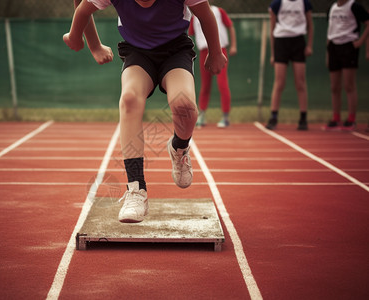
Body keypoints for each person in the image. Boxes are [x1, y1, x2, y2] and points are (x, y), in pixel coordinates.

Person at [63, 0, 227, 223]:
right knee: (129, 99)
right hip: (138, 52)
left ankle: (179, 148)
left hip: (175, 50)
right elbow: (82, 8)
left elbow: (205, 14)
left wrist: (215, 52)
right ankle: (136, 189)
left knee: (185, 106)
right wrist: (86, 42)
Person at [266, 0, 314, 131]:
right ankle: (274, 116)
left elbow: (310, 25)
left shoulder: (304, 3)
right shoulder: (277, 4)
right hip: (281, 42)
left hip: (298, 41)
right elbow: (272, 29)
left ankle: (303, 117)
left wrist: (309, 45)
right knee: (279, 82)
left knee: (300, 82)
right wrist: (273, 53)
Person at [324, 0, 369, 131]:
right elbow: (330, 30)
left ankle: (351, 119)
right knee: (334, 87)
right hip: (334, 47)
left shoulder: (354, 6)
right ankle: (336, 118)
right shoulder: (331, 7)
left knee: (349, 85)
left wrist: (360, 42)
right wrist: (328, 53)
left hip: (348, 46)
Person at [189, 5, 237, 128]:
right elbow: (190, 33)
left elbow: (230, 25)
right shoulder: (194, 14)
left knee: (222, 83)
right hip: (204, 51)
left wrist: (233, 45)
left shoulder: (219, 11)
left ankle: (225, 116)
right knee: (205, 85)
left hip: (219, 50)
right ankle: (202, 115)